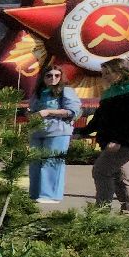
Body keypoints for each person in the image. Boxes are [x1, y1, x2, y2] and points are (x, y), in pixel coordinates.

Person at [84, 58, 129, 216]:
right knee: (122, 175)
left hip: (126, 141)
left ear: (120, 72)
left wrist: (119, 141)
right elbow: (100, 117)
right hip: (112, 140)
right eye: (103, 73)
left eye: (107, 73)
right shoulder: (113, 90)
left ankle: (102, 211)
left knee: (101, 171)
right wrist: (83, 131)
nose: (104, 76)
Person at [27, 64, 81, 203]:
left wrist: (49, 112)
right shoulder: (38, 92)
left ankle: (50, 195)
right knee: (35, 163)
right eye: (49, 75)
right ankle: (35, 193)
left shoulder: (66, 91)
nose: (53, 78)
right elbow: (32, 109)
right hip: (37, 131)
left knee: (52, 162)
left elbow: (73, 111)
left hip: (58, 131)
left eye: (57, 75)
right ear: (43, 77)